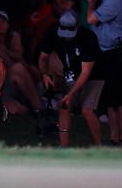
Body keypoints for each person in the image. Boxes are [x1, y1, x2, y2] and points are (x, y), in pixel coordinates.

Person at [38, 10, 104, 147]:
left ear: (78, 26)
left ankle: (99, 146)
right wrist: (44, 74)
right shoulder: (53, 33)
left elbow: (86, 72)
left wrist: (71, 93)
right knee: (64, 105)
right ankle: (64, 147)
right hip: (71, 72)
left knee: (87, 110)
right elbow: (43, 57)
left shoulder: (88, 38)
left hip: (94, 75)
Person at [85, 0, 122, 146]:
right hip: (105, 52)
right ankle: (114, 137)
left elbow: (90, 19)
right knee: (111, 100)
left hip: (113, 53)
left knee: (120, 98)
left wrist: (91, 2)